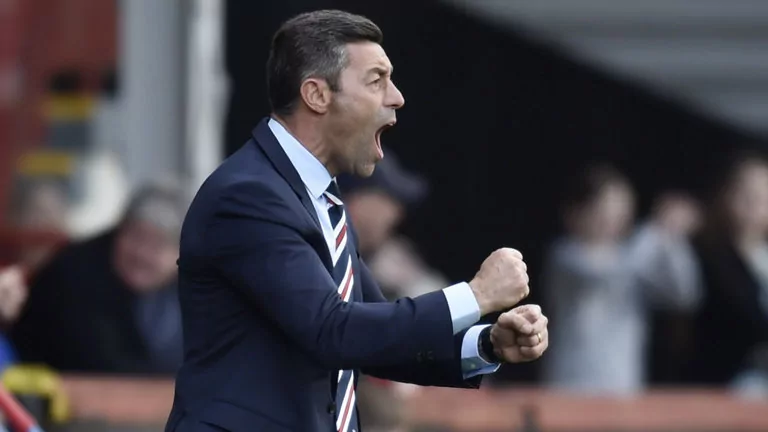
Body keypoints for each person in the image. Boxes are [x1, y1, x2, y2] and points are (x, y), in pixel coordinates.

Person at [166, 10, 549, 432]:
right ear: (317, 95)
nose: (397, 97)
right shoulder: (249, 195)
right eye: (376, 80)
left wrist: (487, 344)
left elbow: (376, 337)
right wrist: (475, 296)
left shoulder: (321, 199)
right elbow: (333, 330)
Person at [541, 164, 701, 394]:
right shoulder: (565, 255)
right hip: (571, 383)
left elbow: (685, 295)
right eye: (604, 210)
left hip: (622, 385)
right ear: (575, 212)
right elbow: (612, 272)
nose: (613, 219)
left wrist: (674, 240)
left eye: (621, 211)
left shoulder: (635, 256)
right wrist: (657, 230)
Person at [10, 180, 185, 375]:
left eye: (158, 245)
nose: (142, 253)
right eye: (136, 236)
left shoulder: (196, 285)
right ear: (118, 232)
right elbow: (106, 368)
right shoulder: (76, 274)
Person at [688, 152, 768, 391]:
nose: (753, 202)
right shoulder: (704, 254)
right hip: (722, 384)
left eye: (762, 194)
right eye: (745, 192)